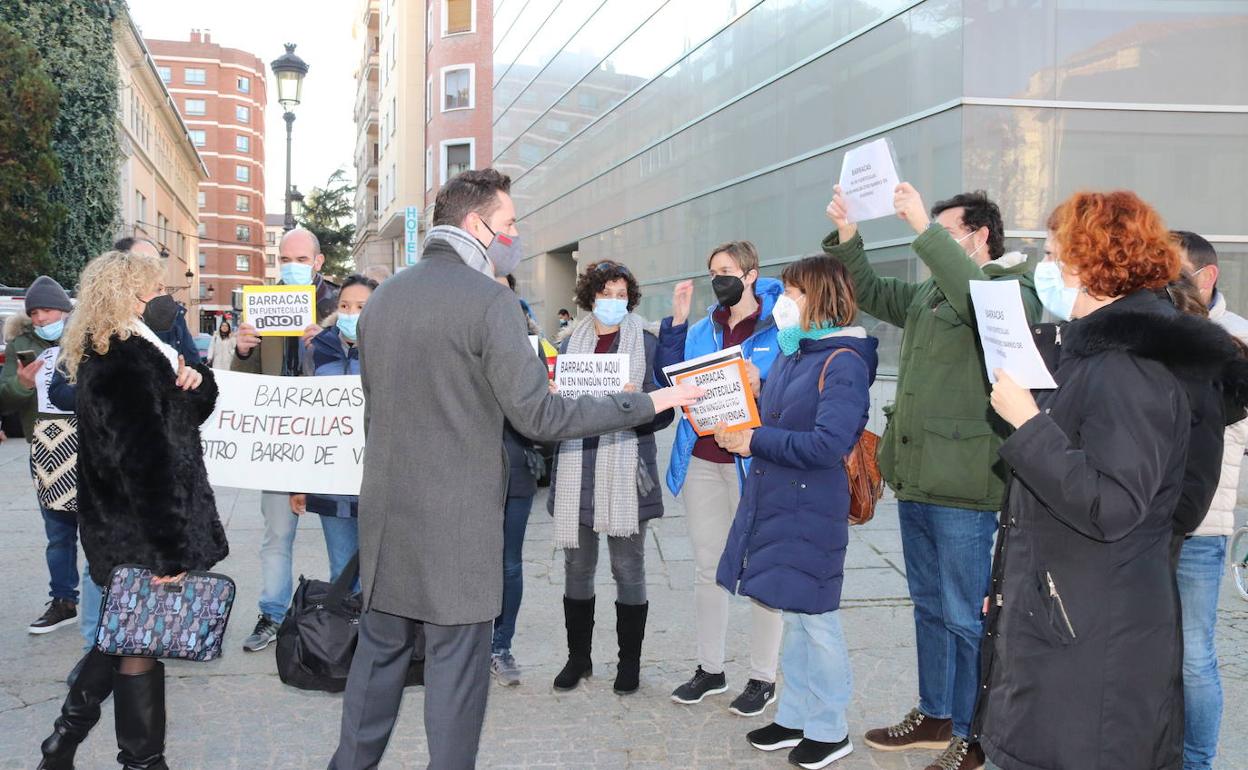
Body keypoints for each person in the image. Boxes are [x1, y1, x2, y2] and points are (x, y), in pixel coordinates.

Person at [326, 168, 702, 770]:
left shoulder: (385, 297)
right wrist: (646, 402)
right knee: (455, 671)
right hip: (458, 522)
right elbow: (540, 416)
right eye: (509, 224)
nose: (516, 234)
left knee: (379, 655)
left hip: (388, 515)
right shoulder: (491, 301)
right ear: (477, 226)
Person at [975, 191, 1246, 770]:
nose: (1044, 268)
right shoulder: (1093, 352)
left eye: (1053, 255)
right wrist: (1014, 585)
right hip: (1069, 616)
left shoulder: (1129, 366)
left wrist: (1026, 422)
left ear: (1092, 262)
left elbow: (1114, 505)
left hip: (1094, 638)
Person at [824, 183, 1039, 770]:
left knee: (967, 614)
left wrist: (923, 228)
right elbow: (869, 290)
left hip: (965, 484)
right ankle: (936, 713)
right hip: (918, 476)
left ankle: (975, 734)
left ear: (980, 235)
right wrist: (849, 236)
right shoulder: (931, 294)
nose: (932, 242)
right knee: (929, 606)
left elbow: (979, 303)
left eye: (945, 232)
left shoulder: (1011, 288)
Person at [37, 249, 227, 770]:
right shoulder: (125, 357)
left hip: (128, 524)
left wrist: (198, 381)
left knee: (124, 635)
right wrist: (169, 552)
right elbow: (144, 459)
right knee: (138, 643)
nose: (166, 298)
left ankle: (64, 740)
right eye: (157, 289)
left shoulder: (139, 349)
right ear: (131, 296)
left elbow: (179, 419)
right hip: (138, 527)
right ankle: (142, 762)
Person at [715, 256, 876, 769]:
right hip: (780, 498)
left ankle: (830, 729)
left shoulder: (843, 360)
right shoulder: (794, 351)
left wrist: (754, 439)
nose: (783, 300)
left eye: (793, 291)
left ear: (820, 297)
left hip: (811, 504)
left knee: (818, 618)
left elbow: (828, 443)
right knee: (793, 611)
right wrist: (750, 400)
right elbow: (780, 417)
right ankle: (796, 716)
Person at [654, 241, 786, 717]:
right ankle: (710, 669)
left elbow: (796, 392)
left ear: (751, 273)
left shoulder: (781, 326)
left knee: (760, 568)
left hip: (754, 463)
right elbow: (672, 381)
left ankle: (763, 676)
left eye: (727, 270)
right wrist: (676, 324)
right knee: (708, 567)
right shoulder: (703, 328)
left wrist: (763, 382)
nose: (719, 279)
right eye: (713, 272)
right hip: (704, 459)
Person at [547, 259, 675, 696]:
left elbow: (666, 408)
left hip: (625, 468)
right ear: (590, 298)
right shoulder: (567, 346)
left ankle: (629, 663)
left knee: (628, 569)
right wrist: (552, 399)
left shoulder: (647, 343)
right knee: (577, 568)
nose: (614, 302)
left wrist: (637, 404)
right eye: (606, 294)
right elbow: (553, 414)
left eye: (622, 295)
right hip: (576, 467)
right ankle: (578, 658)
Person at [232, 227, 340, 652]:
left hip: (329, 437)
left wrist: (326, 341)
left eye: (301, 259)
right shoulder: (262, 304)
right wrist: (242, 351)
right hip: (280, 436)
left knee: (342, 536)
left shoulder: (341, 304)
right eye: (285, 259)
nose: (291, 267)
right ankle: (272, 614)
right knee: (277, 533)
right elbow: (245, 380)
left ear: (317, 262)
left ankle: (345, 612)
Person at [1171, 231, 1248, 770]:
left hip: (1201, 523)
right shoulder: (1161, 331)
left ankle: (1197, 762)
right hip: (1147, 517)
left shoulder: (1234, 340)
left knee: (1194, 654)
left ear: (1207, 275)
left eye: (1175, 274)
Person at [0, 275, 80, 635]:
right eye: (34, 313)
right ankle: (64, 600)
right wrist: (22, 384)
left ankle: (106, 596)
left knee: (99, 526)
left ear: (63, 310)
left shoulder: (85, 339)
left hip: (89, 441)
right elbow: (5, 396)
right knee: (58, 531)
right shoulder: (19, 344)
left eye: (46, 310)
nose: (40, 318)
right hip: (46, 445)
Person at [289, 274, 378, 583]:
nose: (351, 313)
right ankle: (347, 632)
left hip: (376, 485)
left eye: (361, 306)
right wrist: (298, 483)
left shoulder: (390, 348)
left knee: (380, 576)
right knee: (341, 573)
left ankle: (376, 633)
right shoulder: (318, 348)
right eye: (345, 305)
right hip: (331, 487)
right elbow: (304, 417)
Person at [490, 273, 542, 687]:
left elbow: (545, 417)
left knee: (508, 563)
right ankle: (465, 646)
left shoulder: (533, 345)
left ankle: (500, 646)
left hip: (516, 471)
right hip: (466, 474)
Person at [113, 237, 202, 364]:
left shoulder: (173, 317)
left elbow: (196, 366)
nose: (153, 269)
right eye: (144, 262)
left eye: (157, 263)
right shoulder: (102, 324)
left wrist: (191, 376)